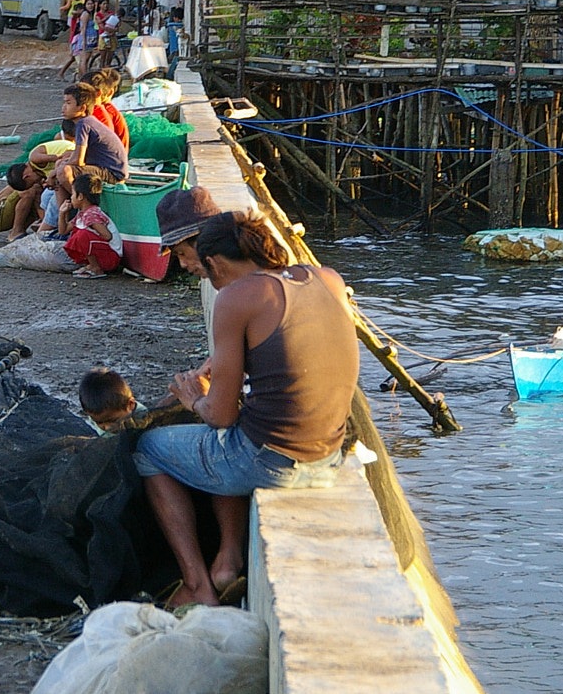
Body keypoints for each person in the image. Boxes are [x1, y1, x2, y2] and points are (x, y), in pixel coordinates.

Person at [135, 210, 359, 608]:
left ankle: (197, 584)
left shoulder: (235, 297)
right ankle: (228, 559)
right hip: (327, 457)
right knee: (224, 435)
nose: (204, 278)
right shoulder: (327, 278)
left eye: (204, 271)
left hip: (273, 464)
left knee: (149, 449)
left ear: (216, 263)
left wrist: (195, 399)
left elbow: (219, 414)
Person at [52, 82, 128, 217]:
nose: (63, 107)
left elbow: (79, 161)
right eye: (64, 102)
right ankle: (63, 219)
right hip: (100, 166)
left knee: (64, 170)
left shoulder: (84, 124)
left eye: (68, 103)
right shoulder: (85, 122)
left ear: (82, 107)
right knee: (60, 164)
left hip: (112, 173)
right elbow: (77, 155)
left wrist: (53, 173)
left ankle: (85, 210)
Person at [59, 172, 120, 279]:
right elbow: (63, 231)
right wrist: (62, 213)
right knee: (77, 234)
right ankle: (91, 265)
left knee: (82, 235)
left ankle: (95, 268)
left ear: (81, 196)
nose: (71, 197)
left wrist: (89, 235)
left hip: (112, 257)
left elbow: (107, 236)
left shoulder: (91, 214)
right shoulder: (83, 213)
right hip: (104, 254)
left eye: (73, 194)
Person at [0, 163, 43, 241]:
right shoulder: (27, 175)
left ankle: (29, 227)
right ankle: (16, 231)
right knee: (30, 191)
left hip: (9, 212)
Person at [79, 367, 144, 435]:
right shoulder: (97, 413)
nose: (107, 428)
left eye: (113, 421)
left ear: (131, 404)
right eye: (99, 423)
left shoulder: (143, 421)